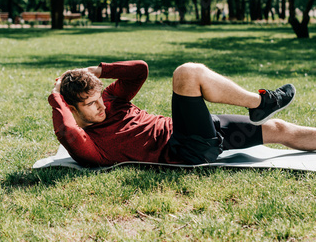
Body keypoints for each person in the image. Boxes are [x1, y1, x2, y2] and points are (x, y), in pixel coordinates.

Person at [48, 60, 316, 167]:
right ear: (71, 109)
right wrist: (57, 95)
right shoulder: (89, 143)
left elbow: (140, 70)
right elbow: (66, 130)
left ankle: (262, 106)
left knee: (279, 129)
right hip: (186, 148)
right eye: (91, 104)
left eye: (99, 99)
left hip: (197, 130)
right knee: (187, 73)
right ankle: (260, 103)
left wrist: (101, 70)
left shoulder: (110, 100)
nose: (101, 106)